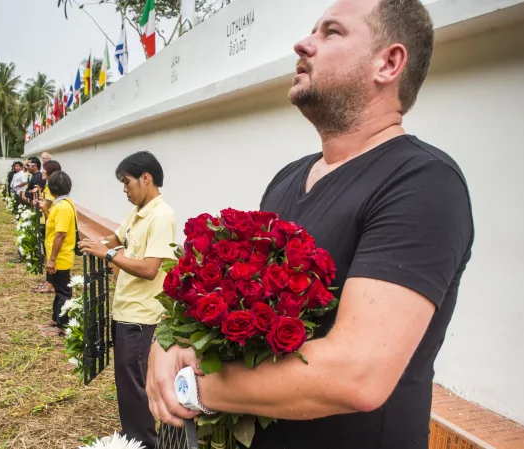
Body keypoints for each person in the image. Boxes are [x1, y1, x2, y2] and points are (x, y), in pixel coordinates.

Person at [145, 1, 475, 449]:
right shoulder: (287, 179)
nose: (303, 43)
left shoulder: (422, 183)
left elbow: (356, 374)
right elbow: (230, 307)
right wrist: (172, 342)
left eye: (331, 32)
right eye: (312, 31)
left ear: (389, 63)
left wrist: (194, 387)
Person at [79, 151, 177, 449]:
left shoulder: (161, 216)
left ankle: (144, 442)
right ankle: (135, 437)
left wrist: (108, 254)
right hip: (126, 311)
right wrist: (100, 244)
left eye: (127, 182)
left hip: (141, 317)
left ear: (146, 178)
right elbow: (118, 238)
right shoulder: (138, 213)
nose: (124, 189)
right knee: (126, 382)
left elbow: (149, 269)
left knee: (135, 386)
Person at [40, 170, 77, 337]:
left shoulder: (62, 207)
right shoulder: (61, 204)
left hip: (60, 257)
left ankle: (63, 326)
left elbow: (60, 234)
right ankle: (56, 320)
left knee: (63, 291)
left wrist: (52, 259)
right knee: (59, 289)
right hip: (56, 257)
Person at [32, 160, 62, 295]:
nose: (42, 171)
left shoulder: (51, 188)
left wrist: (42, 205)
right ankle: (48, 281)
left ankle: (51, 283)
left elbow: (47, 206)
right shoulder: (48, 186)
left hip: (49, 222)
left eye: (45, 169)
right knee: (48, 253)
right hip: (47, 222)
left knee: (50, 254)